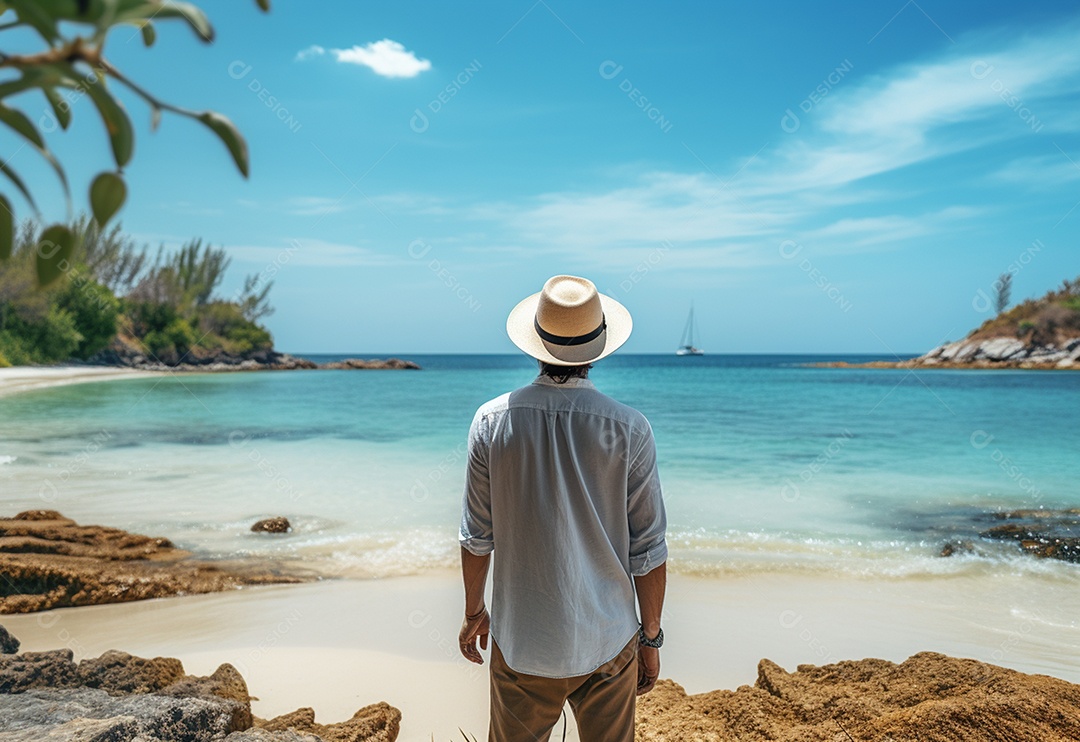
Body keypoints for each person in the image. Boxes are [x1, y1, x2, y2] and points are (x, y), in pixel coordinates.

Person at [458, 274, 668, 741]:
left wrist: (475, 612)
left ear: (535, 344)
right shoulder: (630, 428)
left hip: (522, 643)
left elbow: (476, 538)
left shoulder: (491, 423)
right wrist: (650, 638)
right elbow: (649, 550)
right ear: (596, 350)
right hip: (608, 640)